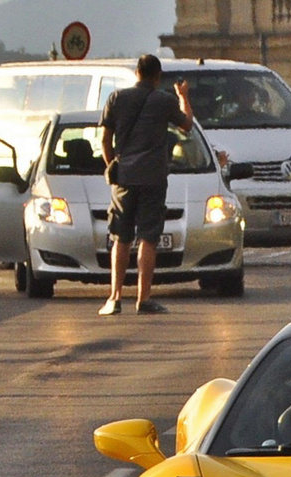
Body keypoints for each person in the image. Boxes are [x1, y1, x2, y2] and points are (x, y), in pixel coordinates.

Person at [97, 54, 193, 317]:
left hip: (124, 177)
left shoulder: (116, 98)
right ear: (157, 76)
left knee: (120, 238)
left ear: (137, 72)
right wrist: (183, 95)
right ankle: (144, 298)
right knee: (149, 238)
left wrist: (112, 164)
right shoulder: (164, 101)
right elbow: (187, 125)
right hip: (153, 178)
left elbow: (105, 139)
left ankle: (114, 298)